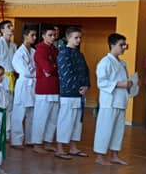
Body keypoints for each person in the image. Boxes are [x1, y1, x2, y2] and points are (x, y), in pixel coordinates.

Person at [94, 34, 133, 166]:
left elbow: (124, 81)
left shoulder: (122, 63)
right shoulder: (105, 62)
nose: (124, 47)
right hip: (109, 101)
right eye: (121, 45)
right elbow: (101, 82)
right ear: (112, 45)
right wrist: (120, 84)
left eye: (125, 45)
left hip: (121, 100)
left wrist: (131, 84)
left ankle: (114, 155)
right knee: (105, 128)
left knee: (118, 130)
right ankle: (100, 156)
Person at [54, 26, 90, 160]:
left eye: (80, 37)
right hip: (68, 93)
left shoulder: (80, 54)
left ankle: (73, 147)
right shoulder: (63, 53)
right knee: (65, 121)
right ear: (68, 38)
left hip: (80, 94)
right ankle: (60, 148)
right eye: (76, 37)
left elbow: (86, 71)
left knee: (77, 122)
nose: (79, 40)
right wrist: (78, 87)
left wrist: (86, 86)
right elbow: (66, 74)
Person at [30, 26, 60, 153]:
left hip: (55, 87)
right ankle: (37, 143)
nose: (53, 37)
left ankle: (48, 141)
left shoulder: (55, 50)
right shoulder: (40, 50)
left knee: (53, 118)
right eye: (50, 35)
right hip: (44, 88)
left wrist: (54, 68)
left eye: (54, 35)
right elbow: (47, 69)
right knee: (41, 117)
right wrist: (54, 68)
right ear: (43, 36)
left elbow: (59, 68)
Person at [10, 26, 37, 149]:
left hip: (33, 85)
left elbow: (38, 68)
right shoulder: (19, 53)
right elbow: (25, 71)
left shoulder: (34, 52)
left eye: (35, 35)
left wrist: (35, 72)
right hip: (23, 84)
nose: (34, 38)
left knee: (32, 113)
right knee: (19, 113)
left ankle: (30, 139)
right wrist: (36, 72)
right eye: (32, 35)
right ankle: (16, 141)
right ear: (25, 36)